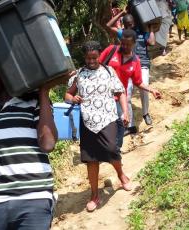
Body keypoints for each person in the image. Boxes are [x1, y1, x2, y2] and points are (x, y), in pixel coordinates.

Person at [0, 54, 60, 230]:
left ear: (0, 73)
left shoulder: (33, 102)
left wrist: (44, 92)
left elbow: (48, 144)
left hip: (34, 199)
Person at [65, 41, 131, 212]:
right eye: (88, 58)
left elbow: (120, 92)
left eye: (94, 57)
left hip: (108, 118)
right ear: (84, 58)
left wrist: (126, 112)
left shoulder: (109, 71)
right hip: (87, 123)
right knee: (91, 159)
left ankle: (121, 174)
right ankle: (94, 195)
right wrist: (73, 99)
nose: (92, 61)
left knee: (111, 149)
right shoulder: (78, 74)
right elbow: (67, 94)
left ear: (100, 55)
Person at [99, 29, 161, 150]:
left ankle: (115, 150)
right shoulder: (112, 50)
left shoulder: (136, 61)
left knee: (122, 123)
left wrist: (151, 90)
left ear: (134, 44)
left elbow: (138, 82)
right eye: (123, 43)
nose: (124, 46)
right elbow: (97, 65)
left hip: (119, 97)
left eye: (128, 44)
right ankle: (105, 149)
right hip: (103, 95)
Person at [107, 12, 156, 134]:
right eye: (127, 25)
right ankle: (131, 125)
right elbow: (108, 26)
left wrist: (151, 29)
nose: (129, 27)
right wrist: (120, 14)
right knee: (126, 95)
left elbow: (152, 42)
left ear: (134, 23)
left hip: (142, 64)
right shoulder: (123, 34)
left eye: (131, 24)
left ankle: (145, 113)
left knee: (144, 89)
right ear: (124, 25)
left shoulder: (141, 33)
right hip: (127, 67)